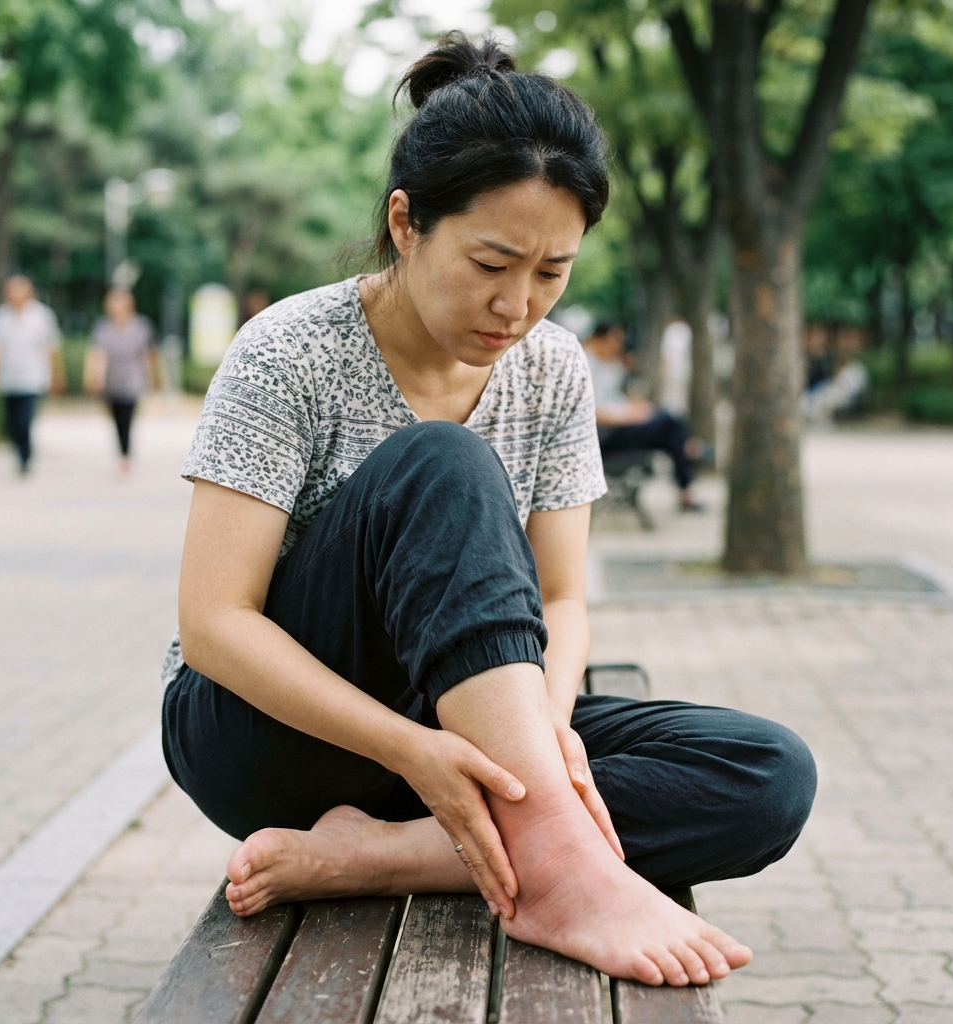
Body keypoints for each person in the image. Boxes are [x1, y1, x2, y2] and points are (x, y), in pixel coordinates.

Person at [161, 34, 816, 987]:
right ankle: (552, 859)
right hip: (268, 733)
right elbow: (214, 626)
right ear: (406, 222)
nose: (517, 308)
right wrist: (413, 748)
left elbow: (561, 599)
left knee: (767, 775)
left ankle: (389, 858)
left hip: (460, 727)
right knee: (441, 461)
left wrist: (549, 733)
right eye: (492, 263)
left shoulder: (553, 370)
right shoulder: (288, 351)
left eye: (552, 273)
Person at [584, 322, 705, 511]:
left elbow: (614, 401)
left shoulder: (605, 365)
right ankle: (691, 452)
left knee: (670, 430)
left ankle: (687, 466)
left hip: (617, 429)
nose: (618, 347)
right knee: (668, 422)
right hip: (606, 436)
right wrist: (631, 415)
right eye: (614, 341)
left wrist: (634, 410)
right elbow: (592, 412)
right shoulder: (586, 363)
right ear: (598, 338)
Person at [0, 275, 64, 474]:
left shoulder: (42, 316)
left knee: (25, 420)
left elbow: (51, 348)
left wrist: (57, 375)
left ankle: (26, 456)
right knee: (12, 422)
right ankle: (19, 450)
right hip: (7, 378)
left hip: (34, 377)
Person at [85, 288, 159, 474]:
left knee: (127, 417)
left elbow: (148, 355)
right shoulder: (103, 328)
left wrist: (153, 377)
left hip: (133, 379)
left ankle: (125, 456)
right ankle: (122, 451)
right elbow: (98, 355)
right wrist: (95, 377)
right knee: (116, 419)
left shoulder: (141, 327)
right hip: (111, 380)